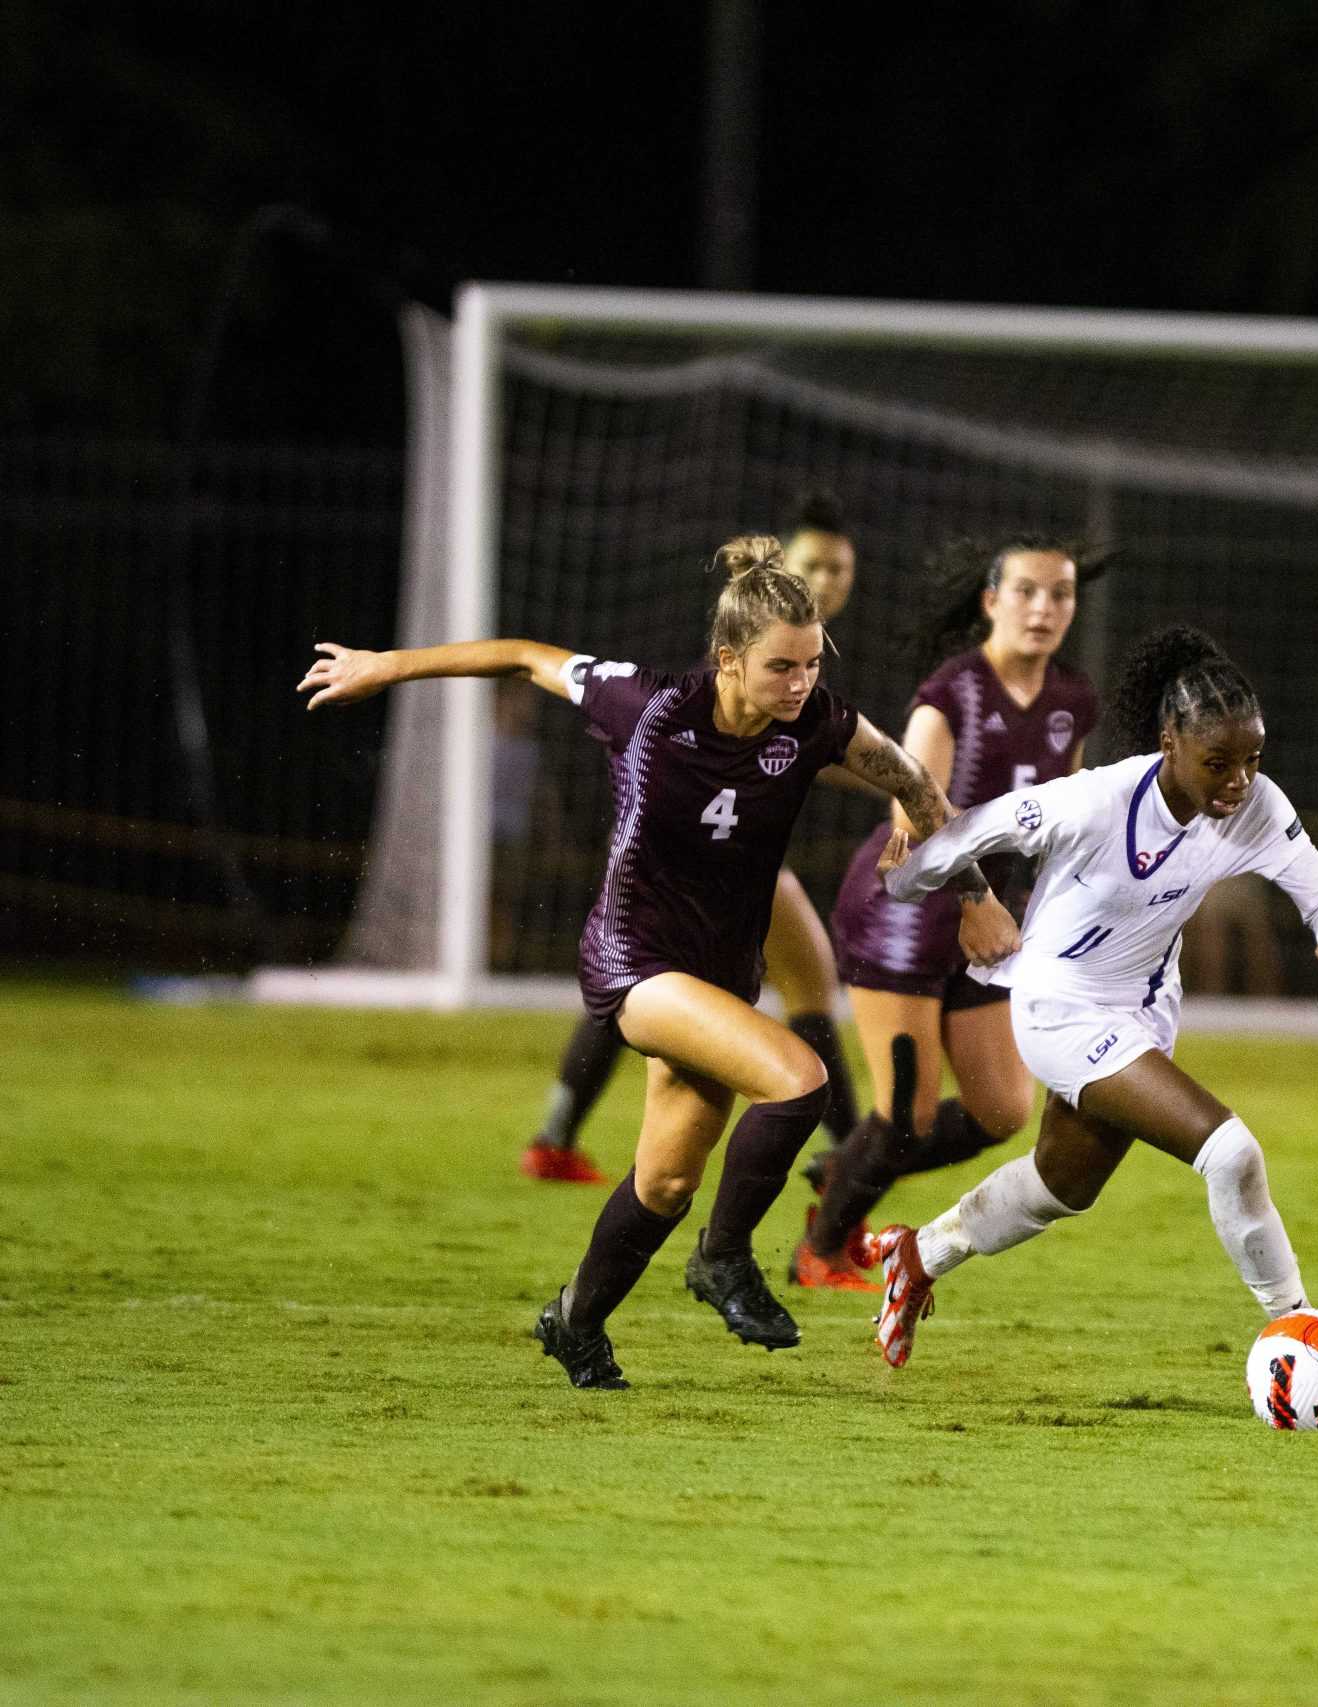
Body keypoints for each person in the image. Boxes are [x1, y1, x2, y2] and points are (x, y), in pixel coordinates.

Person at [298, 535, 1005, 1389]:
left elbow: (918, 785)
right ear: (729, 660)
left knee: (666, 1179)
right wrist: (387, 664)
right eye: (783, 666)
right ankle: (725, 1258)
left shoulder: (816, 721)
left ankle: (575, 1321)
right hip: (635, 959)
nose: (803, 683)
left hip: (719, 974)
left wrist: (971, 890)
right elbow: (524, 657)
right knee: (798, 1077)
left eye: (814, 663)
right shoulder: (646, 704)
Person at [864, 626, 1318, 1379]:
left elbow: (1317, 887)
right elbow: (978, 830)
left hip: (1144, 1013)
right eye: (1219, 762)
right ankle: (1304, 1334)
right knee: (1229, 1150)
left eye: (1253, 758)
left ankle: (918, 1255)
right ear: (1169, 740)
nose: (1239, 780)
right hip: (1059, 1010)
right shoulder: (1095, 801)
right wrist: (904, 880)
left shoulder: (1252, 804)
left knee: (1059, 1185)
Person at [520, 492, 865, 1184]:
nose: (826, 582)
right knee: (784, 988)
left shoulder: (798, 663)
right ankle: (847, 1165)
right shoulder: (743, 660)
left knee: (678, 996)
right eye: (813, 566)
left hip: (733, 864)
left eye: (840, 569)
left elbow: (809, 753)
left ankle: (557, 1132)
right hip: (695, 870)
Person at [792, 537, 1098, 1291]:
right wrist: (978, 899)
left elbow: (1068, 819)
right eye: (1026, 590)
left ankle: (849, 1166)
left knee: (1000, 1110)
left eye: (1060, 593)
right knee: (907, 1114)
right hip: (903, 908)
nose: (1043, 607)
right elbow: (912, 807)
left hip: (984, 916)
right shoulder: (953, 690)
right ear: (990, 600)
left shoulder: (1071, 700)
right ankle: (822, 1251)